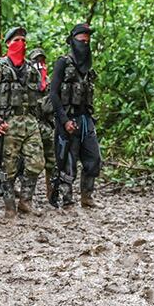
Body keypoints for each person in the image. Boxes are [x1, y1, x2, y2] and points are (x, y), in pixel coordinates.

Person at [0, 27, 45, 218]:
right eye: (17, 40)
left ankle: (26, 201)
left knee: (36, 163)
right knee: (7, 168)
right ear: (8, 43)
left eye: (24, 41)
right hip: (7, 122)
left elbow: (38, 97)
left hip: (29, 122)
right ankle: (9, 206)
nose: (21, 44)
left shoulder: (31, 70)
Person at [50, 23, 102, 209]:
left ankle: (87, 196)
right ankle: (67, 199)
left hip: (85, 120)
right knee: (67, 161)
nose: (85, 44)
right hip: (68, 119)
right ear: (73, 41)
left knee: (94, 158)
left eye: (88, 41)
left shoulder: (88, 68)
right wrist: (64, 121)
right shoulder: (62, 63)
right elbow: (53, 94)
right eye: (81, 40)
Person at [28, 47, 57, 206]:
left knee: (52, 162)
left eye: (42, 60)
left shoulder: (50, 82)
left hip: (47, 125)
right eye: (36, 61)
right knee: (31, 163)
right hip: (30, 126)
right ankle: (26, 198)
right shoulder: (26, 81)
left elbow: (51, 106)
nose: (39, 64)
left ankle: (52, 195)